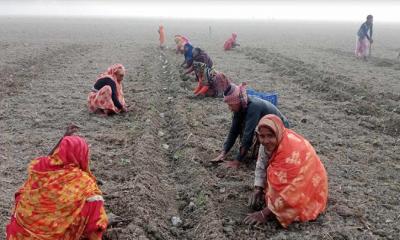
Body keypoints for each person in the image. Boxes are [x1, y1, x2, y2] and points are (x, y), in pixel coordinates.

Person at [6, 124, 108, 239]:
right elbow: (95, 222)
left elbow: (46, 158)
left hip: (21, 233)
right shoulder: (83, 182)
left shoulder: (40, 167)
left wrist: (63, 138)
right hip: (56, 235)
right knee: (93, 206)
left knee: (24, 195)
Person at [244, 115, 328, 228]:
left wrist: (264, 213)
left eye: (270, 136)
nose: (266, 141)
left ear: (278, 133)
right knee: (275, 177)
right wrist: (257, 189)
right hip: (291, 177)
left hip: (308, 182)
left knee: (294, 208)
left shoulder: (291, 151)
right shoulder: (266, 145)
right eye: (262, 136)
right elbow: (261, 165)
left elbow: (290, 190)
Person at [212, 83, 290, 169]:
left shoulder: (254, 107)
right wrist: (224, 152)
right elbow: (233, 131)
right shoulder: (240, 106)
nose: (229, 108)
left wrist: (237, 161)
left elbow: (248, 135)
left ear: (238, 101)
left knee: (272, 151)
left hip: (282, 127)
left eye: (230, 105)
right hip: (266, 126)